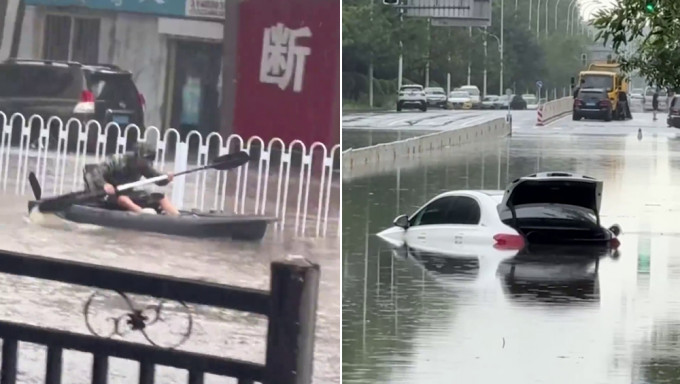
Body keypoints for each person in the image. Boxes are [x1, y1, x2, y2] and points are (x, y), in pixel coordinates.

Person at [83, 143, 180, 216]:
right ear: (137, 156)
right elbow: (96, 173)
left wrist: (166, 178)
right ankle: (142, 214)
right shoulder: (117, 160)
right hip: (109, 195)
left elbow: (157, 179)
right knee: (123, 198)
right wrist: (104, 184)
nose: (147, 163)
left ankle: (177, 217)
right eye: (145, 160)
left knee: (160, 196)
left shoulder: (143, 166)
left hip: (127, 194)